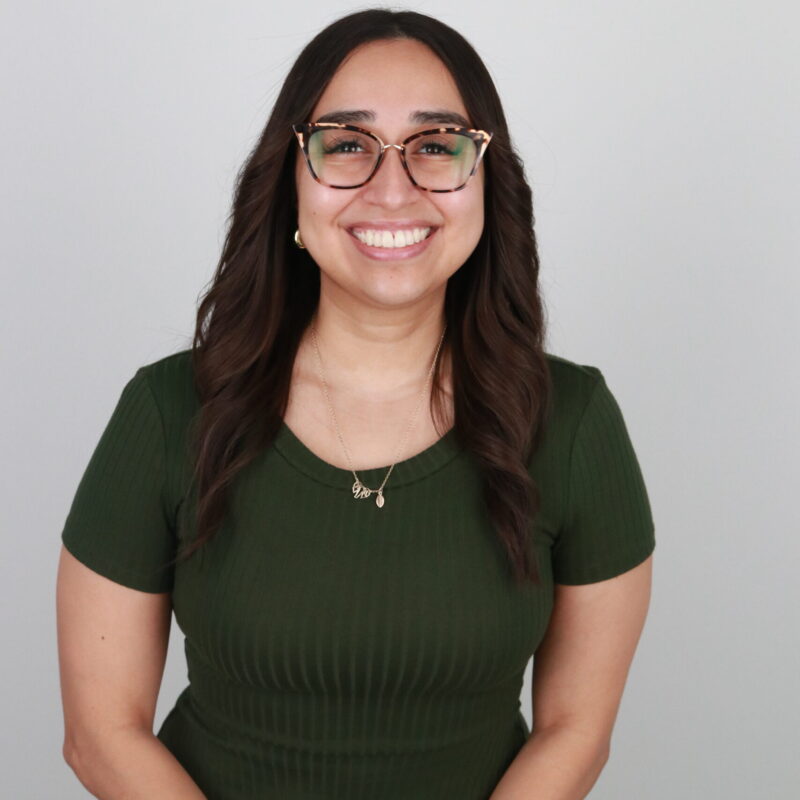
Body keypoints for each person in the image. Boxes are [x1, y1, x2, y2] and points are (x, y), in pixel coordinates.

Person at [55, 8, 656, 800]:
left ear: (486, 182)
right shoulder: (169, 412)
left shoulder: (573, 422)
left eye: (436, 147)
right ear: (290, 178)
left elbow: (575, 733)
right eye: (347, 145)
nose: (393, 189)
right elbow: (100, 736)